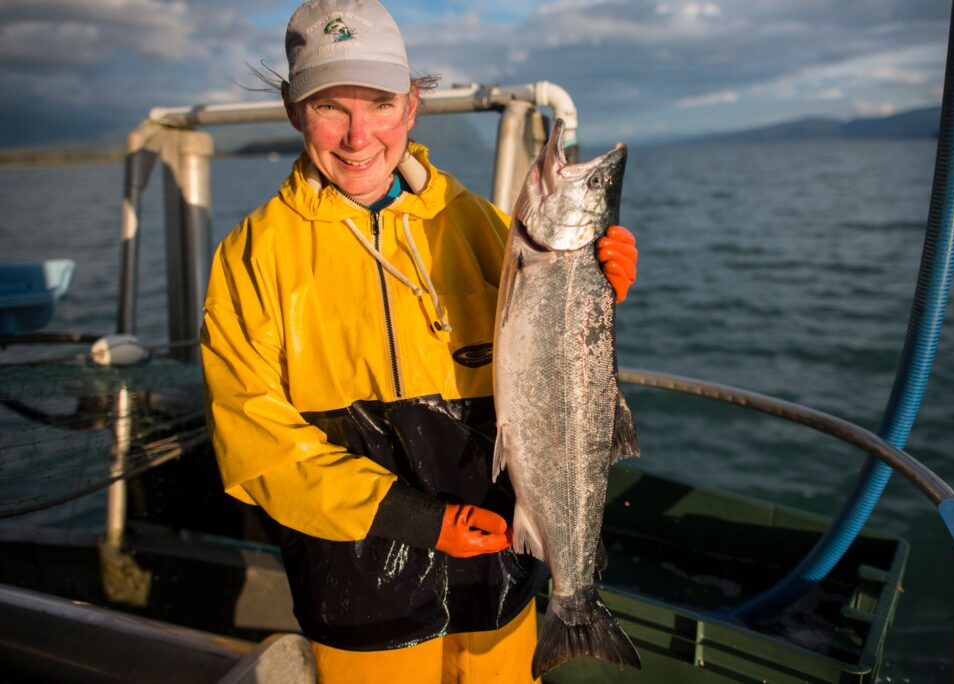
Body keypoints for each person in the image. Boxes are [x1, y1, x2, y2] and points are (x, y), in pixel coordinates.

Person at [200, 1, 638, 681]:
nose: (356, 135)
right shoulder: (250, 258)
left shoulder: (487, 229)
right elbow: (254, 443)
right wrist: (413, 519)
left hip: (499, 568)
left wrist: (592, 293)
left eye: (378, 102)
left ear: (412, 105)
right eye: (328, 106)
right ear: (292, 109)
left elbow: (559, 379)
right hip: (359, 585)